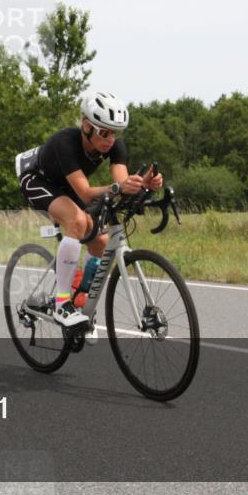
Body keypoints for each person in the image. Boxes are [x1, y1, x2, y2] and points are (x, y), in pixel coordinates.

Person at [17, 91, 162, 328]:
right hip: (38, 180)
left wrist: (144, 184)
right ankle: (62, 304)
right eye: (103, 132)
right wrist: (118, 187)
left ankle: (80, 299)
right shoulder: (65, 141)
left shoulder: (115, 146)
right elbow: (85, 192)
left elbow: (121, 185)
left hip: (70, 185)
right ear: (86, 126)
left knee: (102, 242)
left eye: (114, 133)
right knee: (77, 222)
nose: (109, 140)